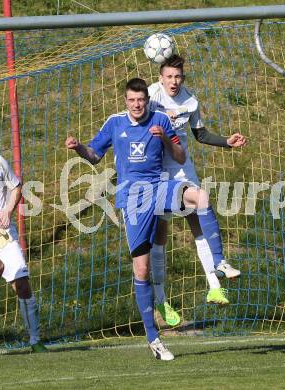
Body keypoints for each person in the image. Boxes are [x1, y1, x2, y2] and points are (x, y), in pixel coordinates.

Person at [65, 78, 237, 361]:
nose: (136, 105)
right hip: (133, 200)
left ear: (147, 99)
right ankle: (154, 339)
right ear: (125, 100)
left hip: (160, 187)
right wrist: (79, 147)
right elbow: (95, 156)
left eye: (140, 100)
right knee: (141, 270)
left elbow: (181, 158)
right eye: (131, 100)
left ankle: (219, 261)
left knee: (200, 197)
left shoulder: (160, 119)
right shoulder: (115, 123)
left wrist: (168, 140)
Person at [148, 54, 247, 326]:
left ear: (183, 78)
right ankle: (161, 299)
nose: (174, 81)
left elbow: (200, 134)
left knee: (198, 218)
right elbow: (136, 122)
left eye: (178, 76)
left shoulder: (190, 101)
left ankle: (215, 283)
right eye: (169, 76)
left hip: (183, 168)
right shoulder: (150, 97)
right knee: (159, 237)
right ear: (160, 77)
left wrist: (226, 141)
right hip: (156, 172)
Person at [0, 154, 47, 352]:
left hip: (3, 230)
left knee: (22, 282)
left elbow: (16, 187)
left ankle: (35, 340)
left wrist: (8, 210)